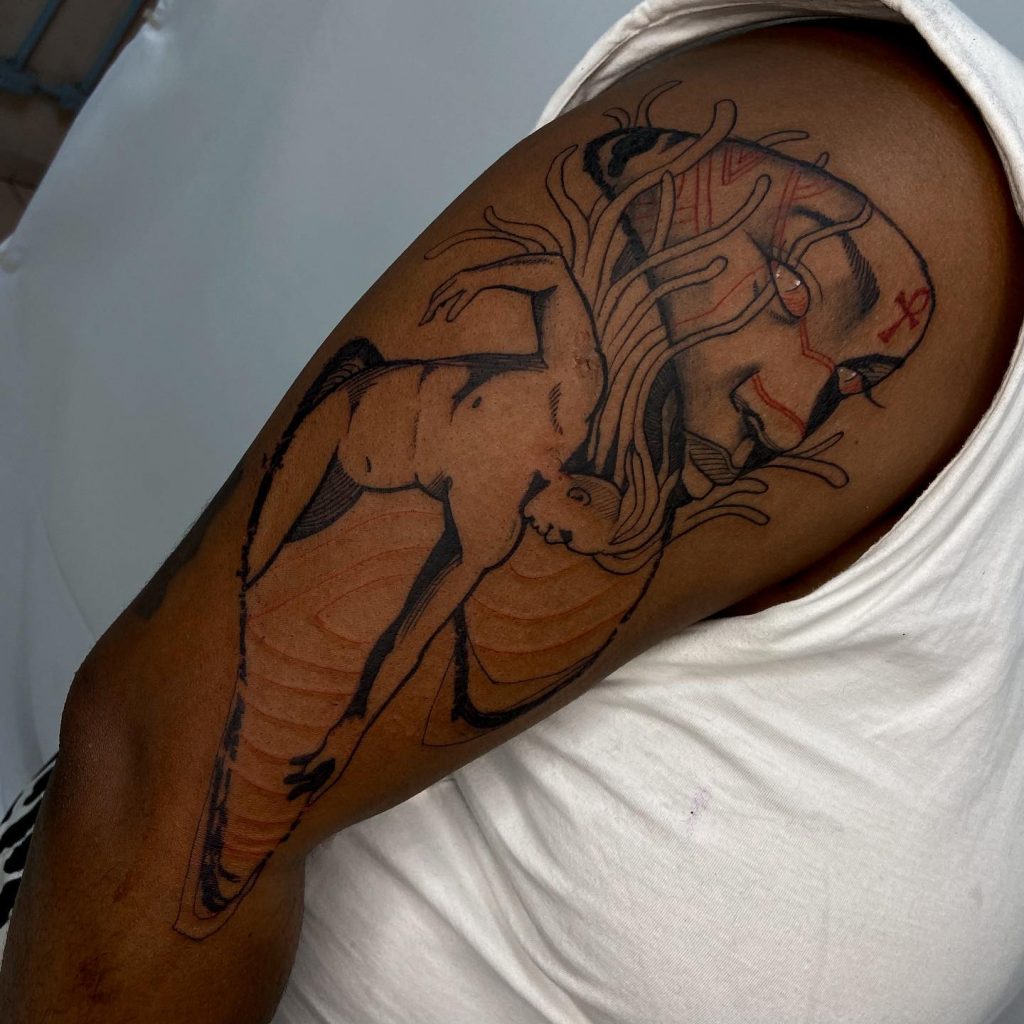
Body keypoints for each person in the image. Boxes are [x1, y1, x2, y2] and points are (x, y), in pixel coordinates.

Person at [2, 2, 1024, 1021]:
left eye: (853, 380)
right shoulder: (909, 176)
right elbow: (160, 791)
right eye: (798, 294)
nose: (797, 413)